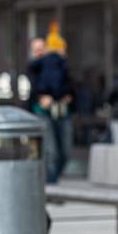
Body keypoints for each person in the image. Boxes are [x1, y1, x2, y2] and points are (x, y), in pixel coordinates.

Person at [29, 24, 73, 183]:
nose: (40, 52)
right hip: (42, 112)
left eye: (42, 48)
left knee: (65, 150)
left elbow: (69, 84)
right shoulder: (34, 68)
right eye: (36, 49)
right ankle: (51, 183)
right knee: (50, 151)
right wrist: (42, 98)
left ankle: (53, 178)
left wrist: (66, 96)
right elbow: (32, 91)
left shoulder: (60, 64)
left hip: (61, 111)